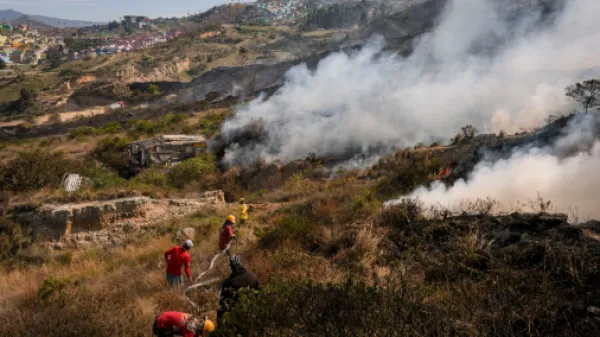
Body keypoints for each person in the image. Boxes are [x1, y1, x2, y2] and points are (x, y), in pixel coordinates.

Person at [217, 255, 260, 324]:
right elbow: (261, 294)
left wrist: (219, 325)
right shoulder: (252, 276)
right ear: (241, 264)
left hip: (237, 321)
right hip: (255, 316)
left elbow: (222, 307)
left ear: (231, 267)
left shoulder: (227, 283)